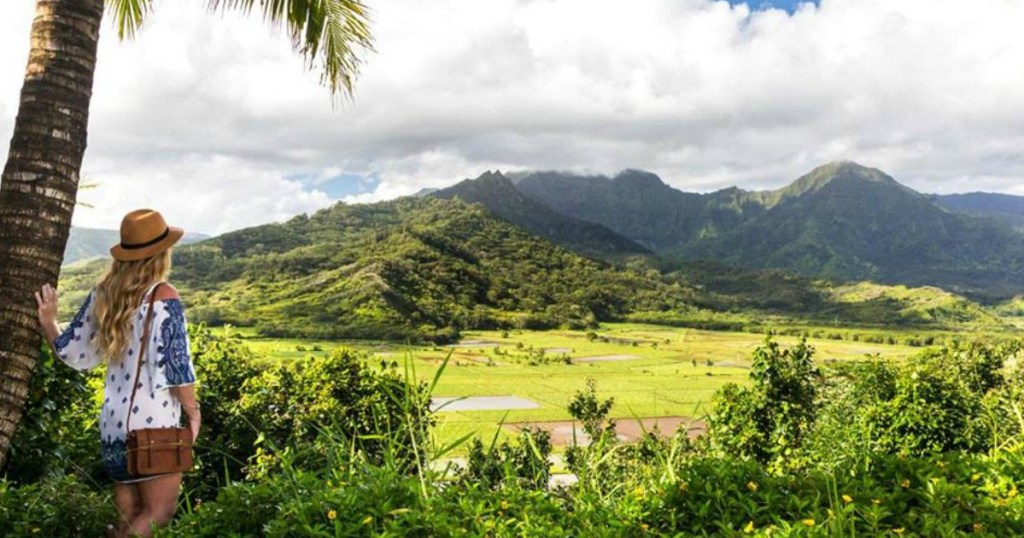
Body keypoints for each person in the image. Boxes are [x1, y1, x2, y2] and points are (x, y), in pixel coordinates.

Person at [34, 209, 200, 538]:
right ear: (161, 253)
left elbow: (73, 353)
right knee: (157, 514)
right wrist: (193, 412)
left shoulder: (104, 294)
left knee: (128, 516)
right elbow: (176, 363)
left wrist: (50, 322)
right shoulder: (163, 295)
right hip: (153, 422)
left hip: (113, 423)